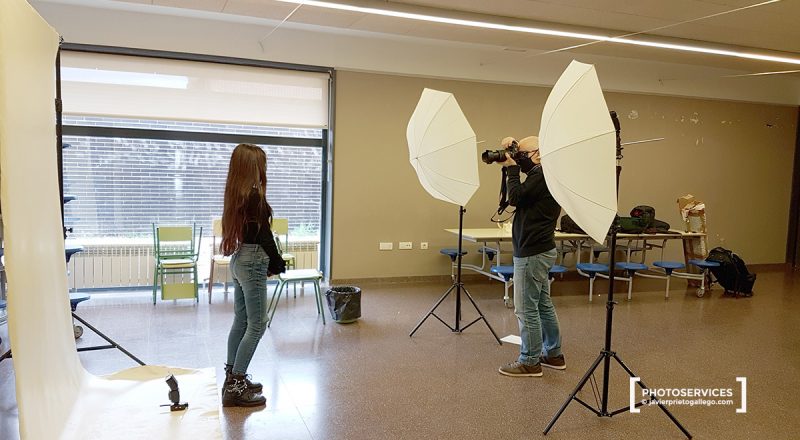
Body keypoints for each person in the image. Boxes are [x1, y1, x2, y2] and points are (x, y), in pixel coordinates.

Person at [220, 143, 286, 407]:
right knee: (257, 324)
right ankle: (236, 386)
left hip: (239, 259)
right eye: (260, 164)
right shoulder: (254, 196)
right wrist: (278, 262)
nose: (263, 170)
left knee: (241, 320)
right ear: (251, 168)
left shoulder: (235, 194)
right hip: (253, 260)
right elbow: (264, 235)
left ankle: (231, 377)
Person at [496, 136, 566, 377]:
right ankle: (554, 355)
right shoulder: (544, 176)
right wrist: (512, 164)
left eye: (522, 154)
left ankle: (530, 361)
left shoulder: (541, 176)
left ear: (537, 154)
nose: (519, 159)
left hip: (532, 253)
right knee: (543, 305)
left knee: (526, 310)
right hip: (541, 249)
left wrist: (512, 169)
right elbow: (518, 196)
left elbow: (515, 197)